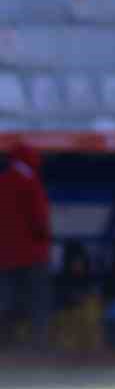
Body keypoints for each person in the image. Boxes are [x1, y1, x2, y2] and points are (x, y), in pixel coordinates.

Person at [0, 140, 53, 349]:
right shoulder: (31, 182)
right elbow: (39, 220)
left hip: (4, 255)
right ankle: (39, 344)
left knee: (5, 301)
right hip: (33, 254)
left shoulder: (2, 181)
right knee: (37, 300)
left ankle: (5, 344)